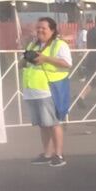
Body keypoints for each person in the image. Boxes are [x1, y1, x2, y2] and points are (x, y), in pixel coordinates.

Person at [20, 17, 73, 166]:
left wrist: (45, 58)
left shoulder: (59, 45)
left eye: (43, 28)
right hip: (32, 89)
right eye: (38, 28)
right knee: (43, 124)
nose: (40, 30)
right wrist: (26, 57)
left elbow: (67, 63)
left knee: (53, 123)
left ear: (53, 30)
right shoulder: (33, 44)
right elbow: (21, 64)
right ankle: (47, 154)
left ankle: (59, 155)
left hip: (48, 89)